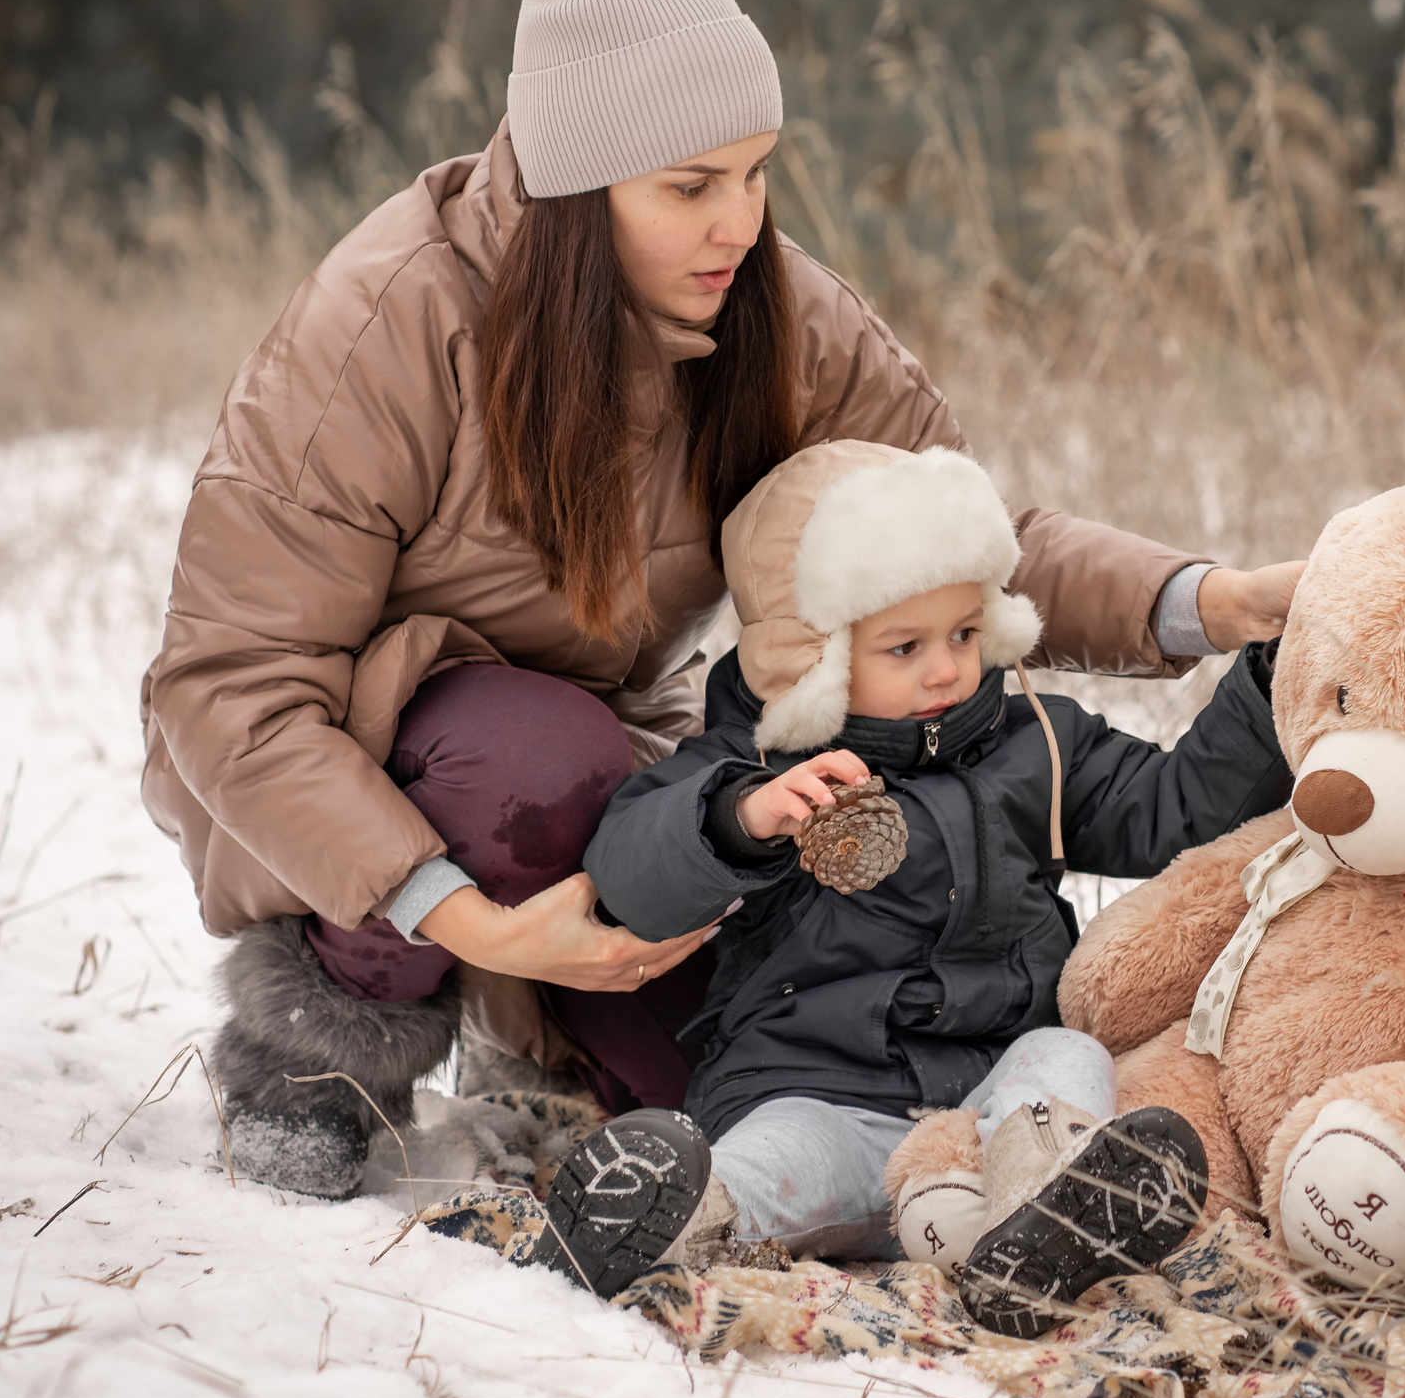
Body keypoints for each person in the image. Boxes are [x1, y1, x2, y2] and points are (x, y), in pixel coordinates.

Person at [140, 0, 1299, 1200]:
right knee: (528, 748)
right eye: (691, 184)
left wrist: (1210, 601)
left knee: (749, 1084)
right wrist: (478, 922)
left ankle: (549, 1045)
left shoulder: (776, 314)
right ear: (579, 188)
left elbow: (949, 540)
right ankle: (314, 1047)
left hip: (621, 790)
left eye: (755, 174)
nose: (738, 224)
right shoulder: (385, 324)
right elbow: (230, 690)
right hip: (347, 769)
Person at [537, 442, 1291, 1336]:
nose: (945, 669)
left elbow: (1177, 810)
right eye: (905, 646)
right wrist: (737, 820)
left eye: (965, 635)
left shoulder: (1036, 744)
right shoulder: (759, 770)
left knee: (1071, 1059)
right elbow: (629, 869)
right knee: (777, 1165)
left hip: (987, 1107)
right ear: (813, 656)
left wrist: (1269, 673)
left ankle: (1039, 1213)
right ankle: (664, 1216)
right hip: (817, 1092)